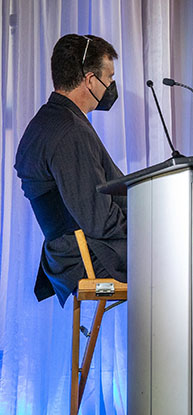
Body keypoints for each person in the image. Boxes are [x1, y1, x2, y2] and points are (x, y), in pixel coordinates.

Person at [15, 34, 126, 306]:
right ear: (90, 80)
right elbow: (99, 220)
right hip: (88, 258)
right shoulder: (70, 132)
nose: (111, 85)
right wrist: (150, 228)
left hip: (68, 254)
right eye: (109, 77)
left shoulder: (45, 121)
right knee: (180, 257)